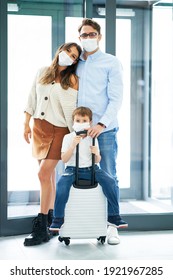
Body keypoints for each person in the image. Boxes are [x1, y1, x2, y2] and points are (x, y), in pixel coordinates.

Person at [23, 42, 82, 246]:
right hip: (39, 129)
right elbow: (31, 98)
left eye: (74, 57)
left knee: (43, 174)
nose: (70, 57)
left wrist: (76, 134)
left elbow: (71, 109)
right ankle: (52, 222)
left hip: (59, 130)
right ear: (60, 50)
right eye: (68, 52)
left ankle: (40, 228)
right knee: (47, 178)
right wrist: (26, 124)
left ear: (75, 62)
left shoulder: (72, 79)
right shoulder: (42, 71)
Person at [76, 18, 128, 245]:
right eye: (84, 35)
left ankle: (112, 225)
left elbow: (116, 99)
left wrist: (101, 125)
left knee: (108, 174)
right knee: (74, 175)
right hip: (79, 130)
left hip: (104, 130)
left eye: (91, 34)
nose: (87, 38)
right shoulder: (74, 64)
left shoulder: (111, 62)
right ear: (79, 38)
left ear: (99, 36)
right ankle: (76, 222)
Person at [49, 106, 125, 245]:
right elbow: (64, 159)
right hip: (72, 169)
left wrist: (96, 153)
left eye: (84, 120)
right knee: (61, 184)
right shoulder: (68, 137)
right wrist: (72, 146)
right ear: (73, 122)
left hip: (92, 168)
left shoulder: (93, 138)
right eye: (78, 120)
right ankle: (58, 219)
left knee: (110, 181)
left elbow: (98, 160)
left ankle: (114, 216)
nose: (81, 122)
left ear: (90, 122)